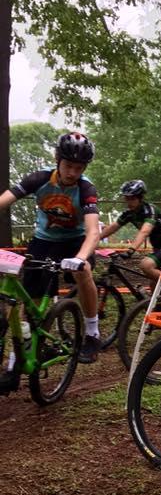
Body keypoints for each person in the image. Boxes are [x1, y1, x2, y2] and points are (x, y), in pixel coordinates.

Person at [0, 131, 101, 371]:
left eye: (79, 168)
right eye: (68, 166)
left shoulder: (86, 189)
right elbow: (4, 200)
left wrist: (79, 258)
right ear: (57, 159)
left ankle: (92, 332)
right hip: (43, 241)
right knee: (30, 300)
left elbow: (93, 231)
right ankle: (22, 353)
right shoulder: (39, 178)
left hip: (75, 242)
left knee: (83, 270)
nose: (72, 173)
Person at [99, 181, 161, 283]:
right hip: (158, 247)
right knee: (154, 287)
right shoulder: (129, 213)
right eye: (127, 198)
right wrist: (94, 239)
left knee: (146, 265)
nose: (129, 202)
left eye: (132, 199)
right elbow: (113, 227)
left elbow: (145, 231)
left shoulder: (150, 210)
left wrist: (131, 250)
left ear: (140, 198)